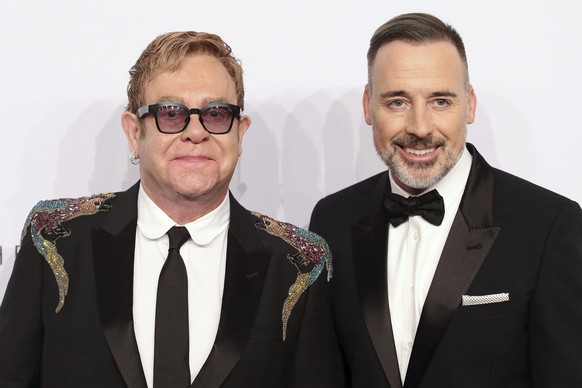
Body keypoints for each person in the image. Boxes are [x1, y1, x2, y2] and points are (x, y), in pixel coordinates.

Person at [0, 31, 344, 388]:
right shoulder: (55, 237)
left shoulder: (300, 262)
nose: (195, 132)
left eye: (215, 113)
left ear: (240, 133)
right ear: (134, 132)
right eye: (170, 113)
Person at [310, 12, 582, 388]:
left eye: (440, 101)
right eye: (397, 102)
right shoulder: (332, 219)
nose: (420, 128)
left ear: (469, 104)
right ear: (368, 105)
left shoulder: (548, 225)